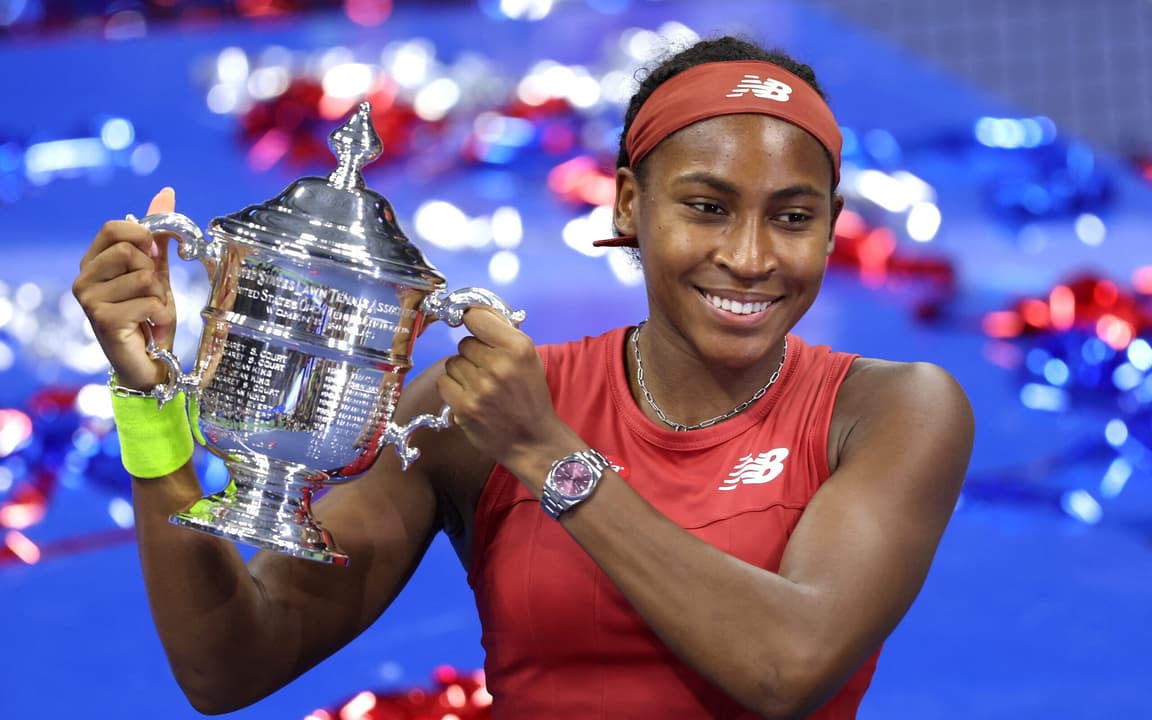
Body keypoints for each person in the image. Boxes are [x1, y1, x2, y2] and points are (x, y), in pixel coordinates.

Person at [72, 35, 973, 719]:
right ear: (628, 204)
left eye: (792, 217)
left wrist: (549, 455)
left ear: (832, 226)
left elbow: (789, 665)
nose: (748, 256)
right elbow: (228, 664)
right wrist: (152, 406)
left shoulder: (893, 410)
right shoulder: (474, 419)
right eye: (706, 207)